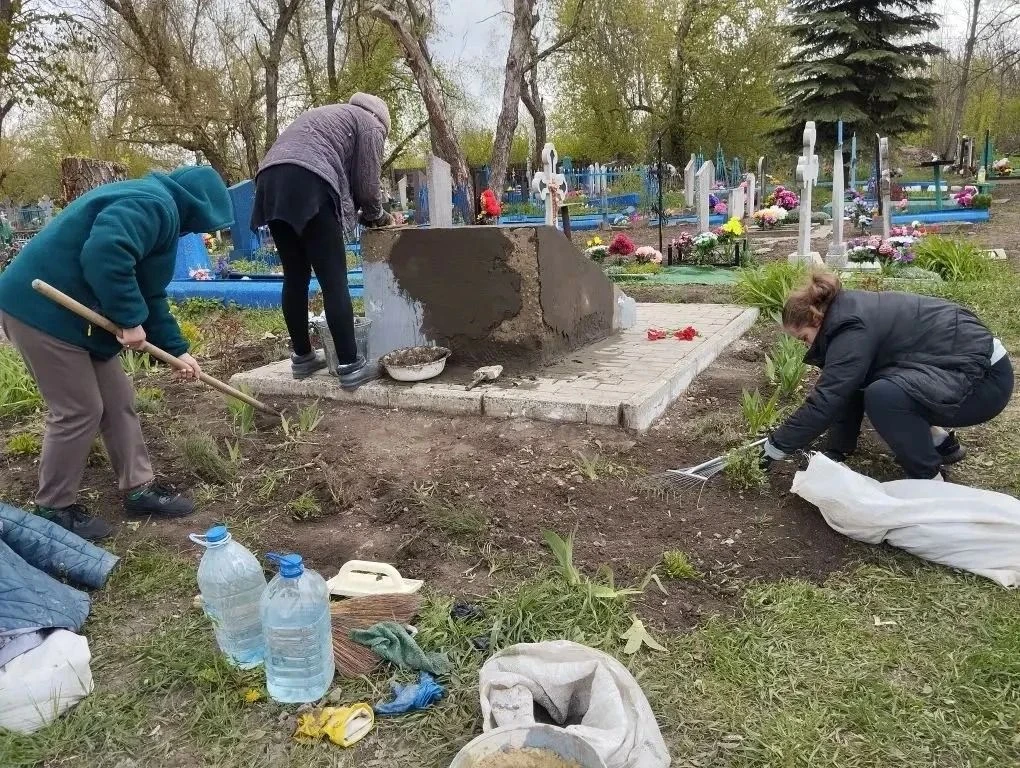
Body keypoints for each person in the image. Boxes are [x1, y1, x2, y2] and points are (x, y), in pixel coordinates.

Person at [0, 166, 232, 541]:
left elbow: (150, 293)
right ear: (195, 209)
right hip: (40, 312)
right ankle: (53, 509)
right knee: (79, 409)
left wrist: (177, 351)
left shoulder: (159, 211)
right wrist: (129, 318)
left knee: (118, 400)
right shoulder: (151, 204)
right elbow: (105, 254)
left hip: (79, 319)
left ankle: (139, 490)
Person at [762, 271, 1013, 480]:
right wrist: (837, 451)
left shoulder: (850, 328)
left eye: (804, 338)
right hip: (965, 366)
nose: (807, 345)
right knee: (879, 387)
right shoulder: (847, 312)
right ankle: (940, 442)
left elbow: (827, 399)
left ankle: (929, 477)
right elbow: (847, 390)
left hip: (983, 382)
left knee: (884, 397)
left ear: (816, 320)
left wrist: (774, 447)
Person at [253, 92, 393, 387]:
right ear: (382, 121)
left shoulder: (332, 116)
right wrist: (378, 216)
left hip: (270, 178)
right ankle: (350, 365)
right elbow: (367, 186)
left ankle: (303, 358)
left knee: (295, 276)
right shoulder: (371, 123)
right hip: (309, 178)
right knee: (334, 280)